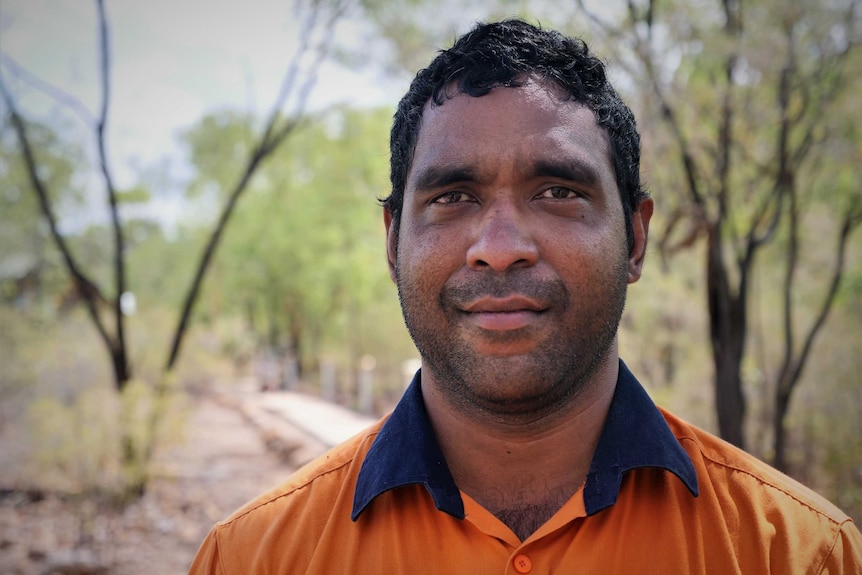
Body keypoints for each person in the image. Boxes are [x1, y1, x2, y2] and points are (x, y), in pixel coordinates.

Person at [189, 19, 862, 574]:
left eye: (558, 192)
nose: (501, 245)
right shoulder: (253, 558)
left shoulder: (797, 554)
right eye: (453, 196)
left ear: (634, 236)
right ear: (393, 242)